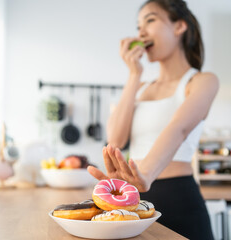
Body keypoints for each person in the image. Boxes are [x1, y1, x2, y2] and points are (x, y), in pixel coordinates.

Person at [87, 0, 218, 239]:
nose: (141, 32)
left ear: (179, 26)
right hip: (133, 197)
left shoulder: (201, 81)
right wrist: (134, 74)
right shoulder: (140, 88)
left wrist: (145, 173)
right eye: (138, 27)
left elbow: (178, 128)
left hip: (179, 197)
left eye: (150, 20)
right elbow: (115, 139)